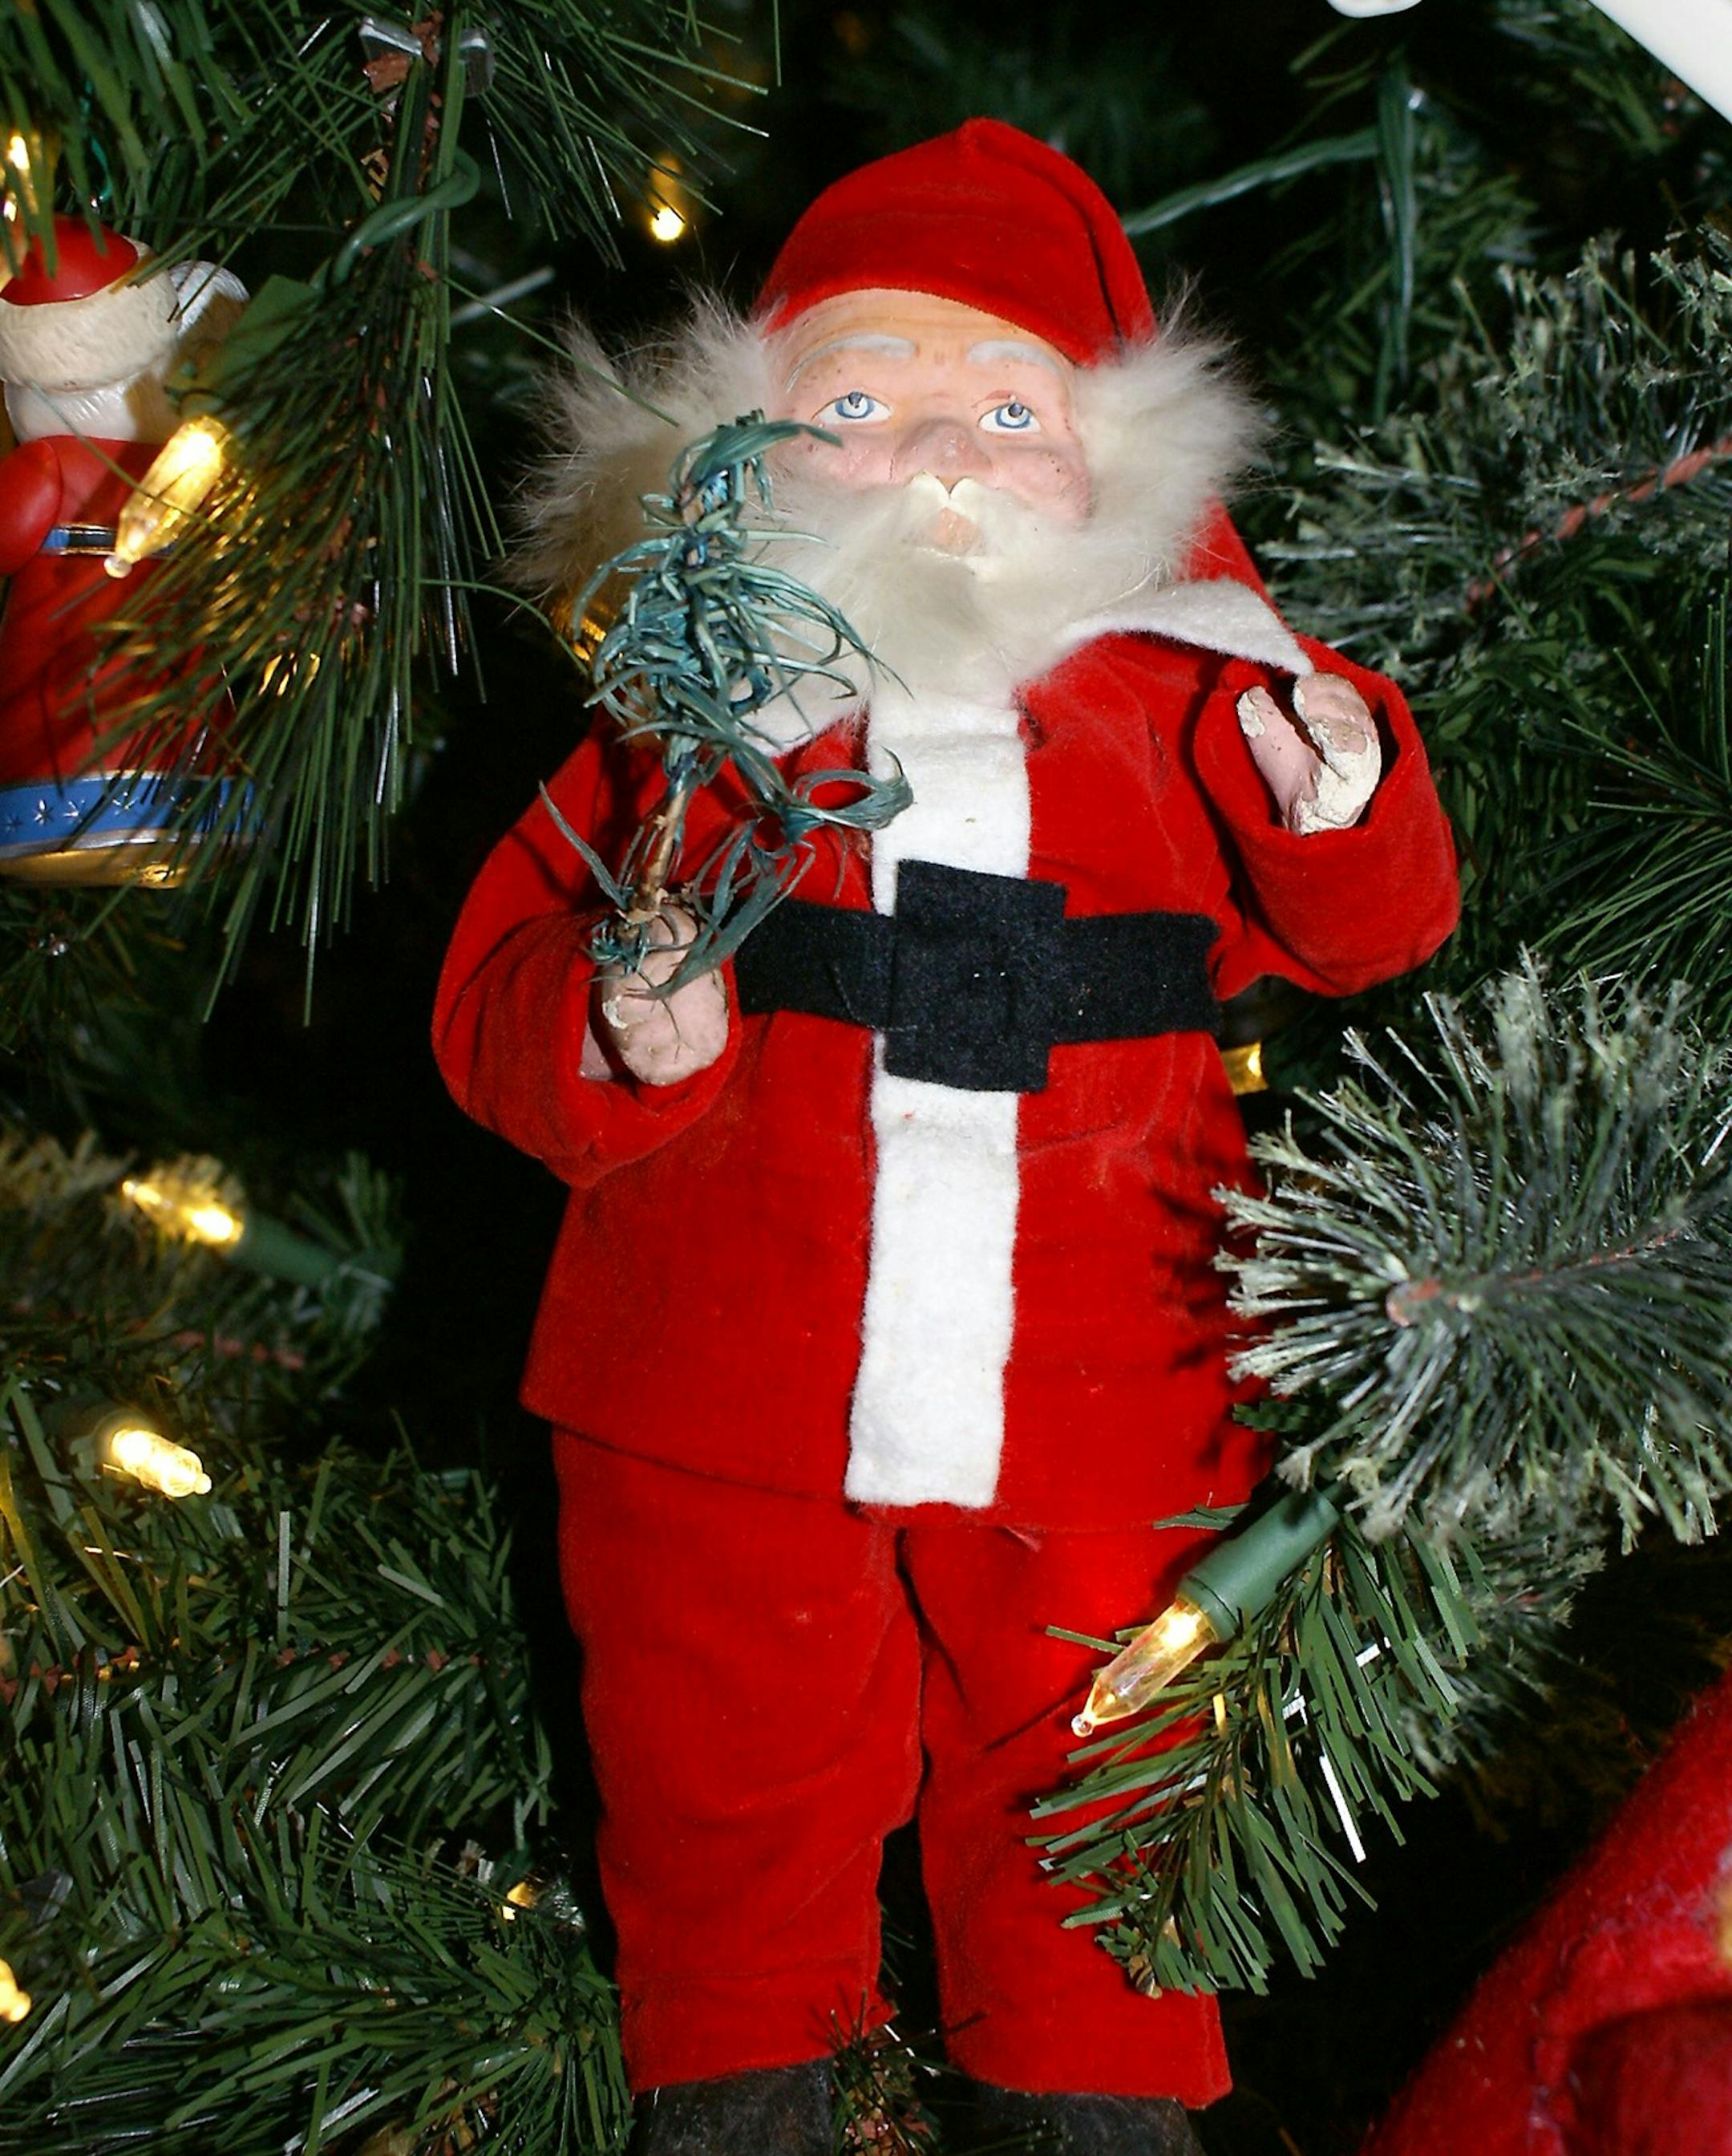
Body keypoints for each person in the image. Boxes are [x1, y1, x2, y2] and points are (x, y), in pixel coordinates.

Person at [435, 120, 1460, 2156]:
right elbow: (494, 994)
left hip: (1110, 1363)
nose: (942, 452)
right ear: (745, 445)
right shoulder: (695, 710)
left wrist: (1338, 791)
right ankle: (736, 2078)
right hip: (722, 1362)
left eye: (1011, 405)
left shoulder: (1187, 693)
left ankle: (1096, 2090)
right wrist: (616, 1030)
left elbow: (1372, 933)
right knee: (723, 1740)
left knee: (1095, 1738)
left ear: (1118, 462)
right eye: (860, 398)